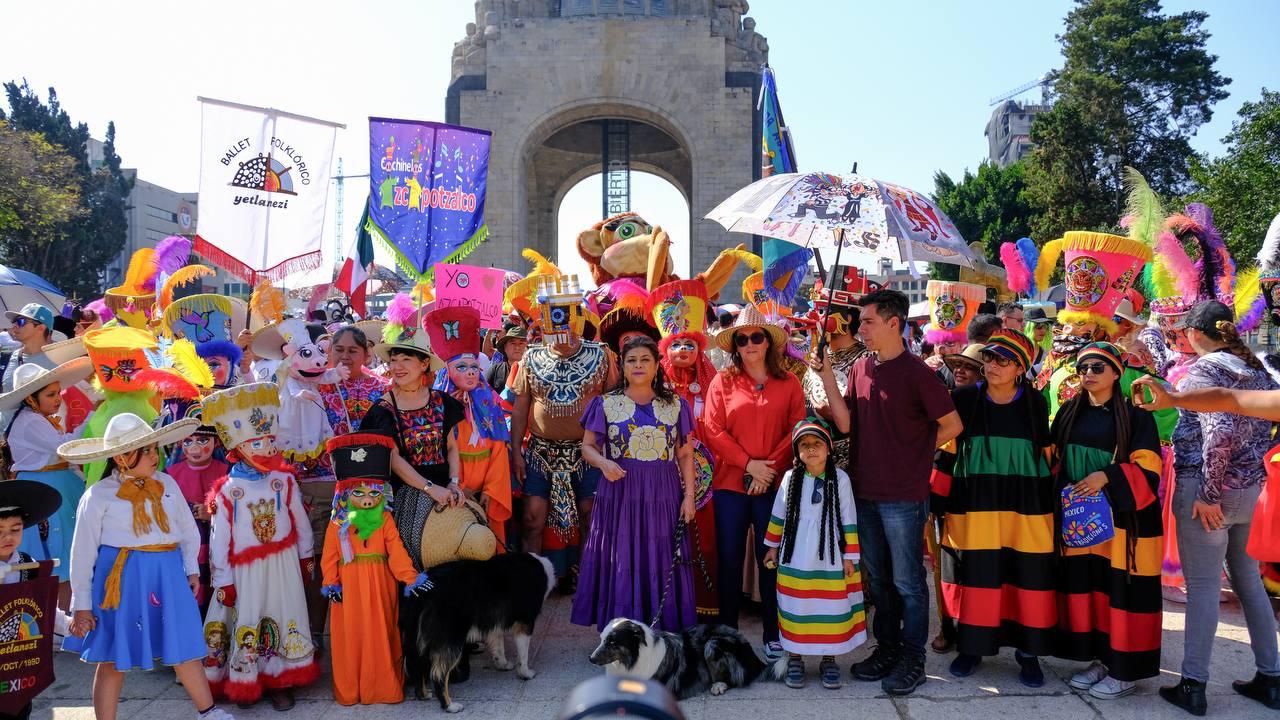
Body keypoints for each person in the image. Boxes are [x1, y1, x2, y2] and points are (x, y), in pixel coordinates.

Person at [818, 288, 961, 696]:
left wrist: (916, 453)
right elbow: (845, 423)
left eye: (867, 321)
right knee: (878, 580)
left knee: (908, 581)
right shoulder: (862, 367)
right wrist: (828, 375)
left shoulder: (918, 373)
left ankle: (912, 658)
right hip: (865, 491)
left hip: (904, 494)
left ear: (894, 323)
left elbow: (952, 426)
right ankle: (888, 647)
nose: (859, 327)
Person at [60, 413, 235, 720]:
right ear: (121, 457)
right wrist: (83, 605)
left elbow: (185, 529)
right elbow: (83, 552)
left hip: (166, 575)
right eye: (146, 451)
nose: (155, 456)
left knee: (181, 643)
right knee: (114, 655)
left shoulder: (166, 483)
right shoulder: (98, 496)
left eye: (155, 449)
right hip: (122, 581)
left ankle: (208, 712)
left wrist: (190, 568)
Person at [1159, 301, 1280, 715]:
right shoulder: (1258, 372)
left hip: (1209, 491)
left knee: (1206, 588)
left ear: (1194, 332)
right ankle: (1271, 676)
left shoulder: (1204, 371)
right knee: (1248, 581)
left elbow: (1219, 430)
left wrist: (1209, 494)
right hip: (1250, 491)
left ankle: (1193, 684)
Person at [934, 330, 1055, 686]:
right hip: (975, 503)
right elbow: (947, 451)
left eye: (1003, 360)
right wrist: (936, 500)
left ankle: (1028, 653)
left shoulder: (1036, 402)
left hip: (1024, 506)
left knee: (1027, 575)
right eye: (988, 358)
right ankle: (971, 648)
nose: (992, 365)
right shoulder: (964, 398)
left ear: (1021, 367)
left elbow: (1044, 453)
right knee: (977, 575)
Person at [1049, 342, 1163, 700]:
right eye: (1083, 368)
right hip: (1084, 520)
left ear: (1117, 373)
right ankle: (1102, 659)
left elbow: (1149, 471)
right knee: (1092, 589)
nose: (1089, 374)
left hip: (1125, 522)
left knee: (1124, 593)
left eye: (1098, 367)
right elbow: (1053, 459)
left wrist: (1107, 477)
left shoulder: (1137, 417)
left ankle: (1126, 670)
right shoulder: (1069, 411)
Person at [201, 383, 318, 710]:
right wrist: (222, 579)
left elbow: (299, 522)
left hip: (282, 563)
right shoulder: (227, 490)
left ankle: (282, 679)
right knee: (249, 617)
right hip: (244, 570)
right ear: (237, 448)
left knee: (283, 614)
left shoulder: (285, 480)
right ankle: (246, 678)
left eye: (269, 441)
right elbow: (219, 538)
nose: (267, 448)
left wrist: (306, 556)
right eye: (257, 443)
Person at [573, 336, 697, 631]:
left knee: (661, 556)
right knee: (621, 556)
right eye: (632, 360)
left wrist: (689, 496)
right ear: (622, 366)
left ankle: (662, 630)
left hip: (664, 492)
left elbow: (685, 453)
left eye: (645, 360)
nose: (638, 365)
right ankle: (620, 632)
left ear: (657, 365)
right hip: (619, 491)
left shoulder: (676, 405)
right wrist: (603, 463)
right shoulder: (605, 404)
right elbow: (587, 447)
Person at [704, 305, 805, 661]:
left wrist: (768, 470)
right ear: (735, 344)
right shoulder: (722, 380)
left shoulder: (789, 382)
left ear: (769, 343)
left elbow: (797, 426)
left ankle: (772, 632)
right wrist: (749, 465)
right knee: (728, 559)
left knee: (770, 560)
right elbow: (712, 430)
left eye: (756, 337)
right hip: (731, 484)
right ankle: (728, 631)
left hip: (773, 487)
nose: (749, 343)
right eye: (742, 338)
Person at [320, 432, 433, 705]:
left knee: (382, 634)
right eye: (358, 493)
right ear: (346, 494)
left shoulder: (384, 520)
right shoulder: (338, 524)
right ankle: (351, 690)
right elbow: (329, 557)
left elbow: (396, 552)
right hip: (348, 590)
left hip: (380, 586)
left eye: (373, 492)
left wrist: (411, 579)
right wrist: (331, 583)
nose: (367, 499)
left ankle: (383, 688)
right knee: (351, 637)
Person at [511, 276, 613, 559]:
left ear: (578, 316)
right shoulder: (531, 357)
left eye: (567, 315)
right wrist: (517, 452)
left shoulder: (601, 356)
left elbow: (615, 403)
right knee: (532, 518)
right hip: (540, 452)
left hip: (589, 452)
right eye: (554, 316)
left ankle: (589, 583)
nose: (562, 323)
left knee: (590, 516)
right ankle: (533, 583)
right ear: (544, 320)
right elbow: (521, 405)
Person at [762, 418, 865, 690]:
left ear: (829, 448)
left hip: (829, 555)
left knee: (829, 606)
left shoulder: (840, 479)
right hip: (795, 555)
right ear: (797, 451)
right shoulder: (790, 478)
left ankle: (828, 657)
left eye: (817, 443)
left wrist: (849, 557)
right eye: (804, 445)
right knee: (797, 605)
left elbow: (848, 518)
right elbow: (778, 514)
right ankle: (795, 656)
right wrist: (772, 546)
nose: (811, 450)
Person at [361, 328, 466, 569]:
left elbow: (451, 446)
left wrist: (453, 482)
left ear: (424, 364)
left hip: (444, 490)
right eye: (393, 360)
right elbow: (394, 459)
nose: (397, 367)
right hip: (406, 494)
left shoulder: (442, 400)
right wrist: (430, 489)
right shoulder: (383, 409)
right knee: (415, 560)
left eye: (406, 359)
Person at [0, 357, 94, 609]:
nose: (58, 399)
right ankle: (58, 618)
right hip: (47, 485)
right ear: (31, 398)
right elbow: (65, 448)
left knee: (63, 550)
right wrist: (92, 416)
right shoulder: (30, 421)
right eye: (51, 394)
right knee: (61, 551)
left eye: (58, 393)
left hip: (53, 482)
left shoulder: (36, 418)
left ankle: (59, 618)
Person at [425, 306, 513, 544]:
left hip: (487, 488)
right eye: (461, 367)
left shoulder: (489, 405)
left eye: (474, 367)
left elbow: (498, 450)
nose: (471, 372)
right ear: (448, 371)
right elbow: (439, 452)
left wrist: (490, 491)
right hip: (454, 490)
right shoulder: (436, 409)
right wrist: (460, 487)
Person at [0, 479, 64, 720]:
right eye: (0, 531)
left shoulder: (28, 563)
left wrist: (68, 625)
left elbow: (40, 609)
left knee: (20, 710)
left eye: (15, 529)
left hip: (18, 666)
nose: (8, 537)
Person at [165, 411, 231, 615]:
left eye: (202, 440)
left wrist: (212, 514)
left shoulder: (227, 471)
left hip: (218, 544)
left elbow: (236, 510)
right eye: (187, 441)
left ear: (216, 441)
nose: (194, 448)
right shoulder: (170, 475)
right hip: (184, 546)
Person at [319, 326, 389, 436]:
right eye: (339, 350)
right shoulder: (319, 385)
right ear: (331, 350)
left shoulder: (383, 389)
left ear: (366, 355)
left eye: (352, 351)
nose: (345, 356)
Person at [485, 325, 527, 395]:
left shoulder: (534, 372)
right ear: (505, 347)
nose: (517, 347)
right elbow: (485, 393)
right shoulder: (495, 369)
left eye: (521, 343)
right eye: (513, 343)